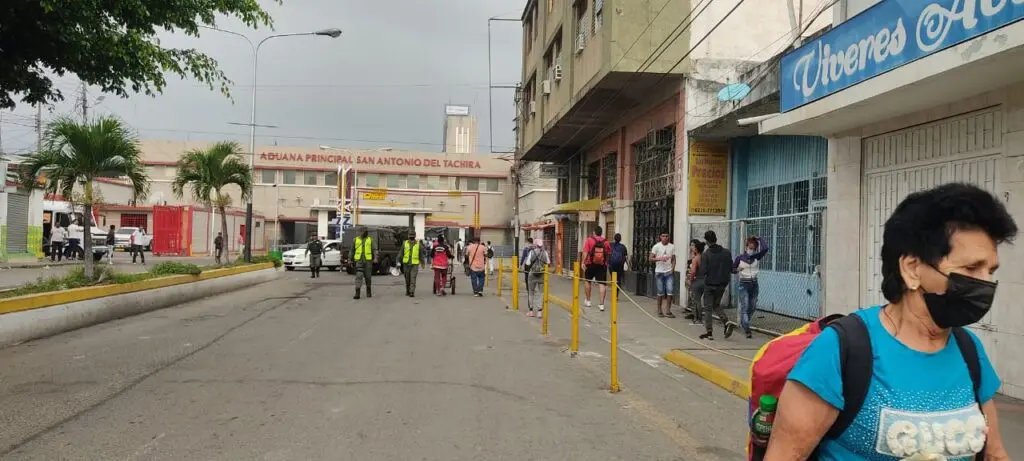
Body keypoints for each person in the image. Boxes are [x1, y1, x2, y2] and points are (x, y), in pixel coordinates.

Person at [767, 183, 1015, 461]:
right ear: (912, 269)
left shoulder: (969, 349)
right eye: (971, 268)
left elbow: (994, 453)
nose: (986, 283)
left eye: (991, 271)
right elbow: (786, 455)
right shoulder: (842, 350)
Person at [698, 230, 733, 340]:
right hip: (722, 284)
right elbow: (731, 268)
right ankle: (726, 322)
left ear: (707, 241)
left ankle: (709, 332)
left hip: (710, 284)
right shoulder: (726, 252)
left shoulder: (706, 254)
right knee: (716, 305)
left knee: (708, 308)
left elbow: (703, 271)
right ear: (716, 239)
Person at [733, 235, 769, 339]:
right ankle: (747, 329)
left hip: (754, 285)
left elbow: (765, 248)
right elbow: (732, 269)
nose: (751, 250)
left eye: (753, 248)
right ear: (746, 247)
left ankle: (745, 322)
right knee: (745, 307)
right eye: (750, 248)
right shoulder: (740, 258)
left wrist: (759, 238)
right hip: (744, 285)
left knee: (752, 306)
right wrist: (737, 270)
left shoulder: (756, 257)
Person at [581, 226, 612, 311]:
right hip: (602, 265)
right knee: (602, 284)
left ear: (594, 232)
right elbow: (609, 253)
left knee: (588, 281)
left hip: (590, 263)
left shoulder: (589, 240)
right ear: (601, 233)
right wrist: (606, 263)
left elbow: (585, 252)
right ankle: (601, 304)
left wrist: (583, 262)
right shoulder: (606, 242)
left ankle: (588, 301)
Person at [649, 231, 676, 318]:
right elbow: (650, 258)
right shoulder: (656, 246)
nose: (665, 238)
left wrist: (672, 269)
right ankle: (659, 310)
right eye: (663, 236)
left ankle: (668, 310)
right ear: (660, 237)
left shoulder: (672, 246)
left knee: (670, 291)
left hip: (668, 272)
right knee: (660, 292)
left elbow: (674, 259)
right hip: (659, 272)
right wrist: (659, 259)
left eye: (666, 236)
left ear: (669, 237)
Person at [522, 238, 550, 317]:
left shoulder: (531, 252)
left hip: (532, 275)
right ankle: (539, 312)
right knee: (541, 293)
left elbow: (527, 263)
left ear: (535, 245)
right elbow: (548, 262)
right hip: (542, 275)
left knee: (531, 292)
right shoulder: (545, 252)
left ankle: (531, 311)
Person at [351, 227, 377, 299]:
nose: (364, 233)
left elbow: (375, 249)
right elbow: (352, 250)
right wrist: (350, 259)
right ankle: (357, 293)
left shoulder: (370, 240)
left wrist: (375, 257)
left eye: (365, 231)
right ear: (360, 232)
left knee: (368, 277)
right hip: (359, 261)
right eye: (362, 231)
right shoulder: (355, 240)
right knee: (359, 276)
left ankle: (368, 290)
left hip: (368, 261)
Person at [686, 239, 706, 325]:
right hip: (705, 280)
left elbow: (693, 271)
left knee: (696, 300)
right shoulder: (705, 257)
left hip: (697, 280)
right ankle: (699, 318)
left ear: (696, 249)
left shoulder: (696, 258)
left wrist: (690, 280)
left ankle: (698, 319)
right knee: (701, 300)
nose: (692, 248)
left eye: (694, 247)